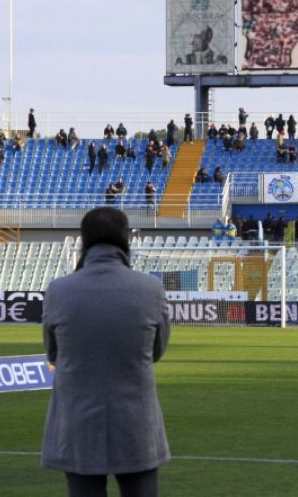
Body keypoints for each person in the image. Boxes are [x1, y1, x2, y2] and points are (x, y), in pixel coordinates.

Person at [41, 208, 170, 496]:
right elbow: (156, 351)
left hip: (77, 421)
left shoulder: (59, 290)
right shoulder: (150, 289)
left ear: (83, 240)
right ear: (125, 240)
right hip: (138, 421)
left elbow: (53, 354)